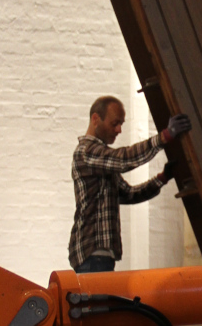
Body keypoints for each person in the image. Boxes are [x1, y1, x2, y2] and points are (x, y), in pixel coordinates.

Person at [69, 95, 192, 273]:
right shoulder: (86, 152)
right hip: (92, 254)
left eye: (122, 124)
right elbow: (123, 159)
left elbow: (128, 194)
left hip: (99, 256)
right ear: (96, 119)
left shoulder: (102, 162)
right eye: (114, 123)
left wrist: (162, 177)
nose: (119, 129)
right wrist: (163, 137)